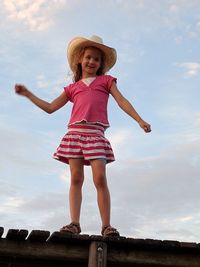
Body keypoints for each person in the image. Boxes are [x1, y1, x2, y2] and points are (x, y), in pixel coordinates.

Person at [15, 35, 151, 237]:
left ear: (101, 64)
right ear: (80, 59)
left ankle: (106, 226)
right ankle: (74, 223)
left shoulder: (106, 81)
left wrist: (139, 120)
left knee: (100, 178)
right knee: (76, 178)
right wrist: (29, 94)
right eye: (88, 57)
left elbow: (122, 101)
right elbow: (51, 107)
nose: (92, 62)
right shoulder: (72, 88)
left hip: (96, 134)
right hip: (75, 134)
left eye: (96, 59)